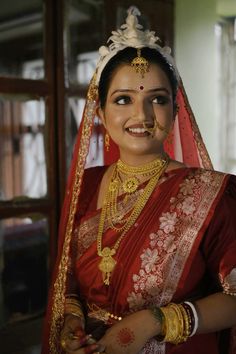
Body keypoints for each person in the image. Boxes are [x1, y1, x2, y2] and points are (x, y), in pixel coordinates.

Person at [42, 7, 236, 354]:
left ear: (175, 111)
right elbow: (68, 284)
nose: (141, 116)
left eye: (157, 100)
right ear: (100, 112)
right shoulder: (86, 185)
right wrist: (71, 323)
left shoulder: (215, 193)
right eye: (123, 100)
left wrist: (155, 322)